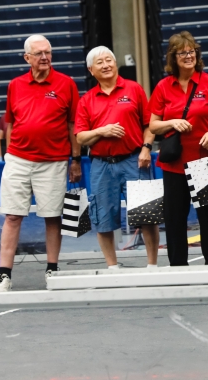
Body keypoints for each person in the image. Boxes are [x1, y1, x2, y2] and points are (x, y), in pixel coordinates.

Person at [0, 35, 82, 292]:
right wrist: (10, 155)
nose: (45, 57)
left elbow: (73, 125)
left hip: (53, 161)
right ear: (27, 58)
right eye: (39, 53)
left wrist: (75, 159)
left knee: (52, 217)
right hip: (18, 159)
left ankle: (52, 269)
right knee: (12, 216)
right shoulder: (15, 85)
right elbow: (10, 123)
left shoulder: (66, 84)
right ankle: (4, 275)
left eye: (48, 52)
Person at [149, 32, 208, 266]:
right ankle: (177, 268)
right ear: (173, 57)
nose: (188, 56)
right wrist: (172, 122)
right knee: (174, 218)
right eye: (182, 52)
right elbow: (153, 125)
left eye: (192, 51)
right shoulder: (163, 87)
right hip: (175, 163)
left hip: (207, 160)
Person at [75, 46, 158, 268]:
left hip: (134, 161)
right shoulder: (86, 100)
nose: (106, 65)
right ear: (91, 70)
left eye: (109, 60)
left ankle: (152, 265)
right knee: (103, 218)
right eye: (100, 62)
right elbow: (81, 137)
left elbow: (150, 124)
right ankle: (112, 267)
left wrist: (146, 149)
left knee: (147, 215)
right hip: (101, 165)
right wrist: (102, 131)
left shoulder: (134, 89)